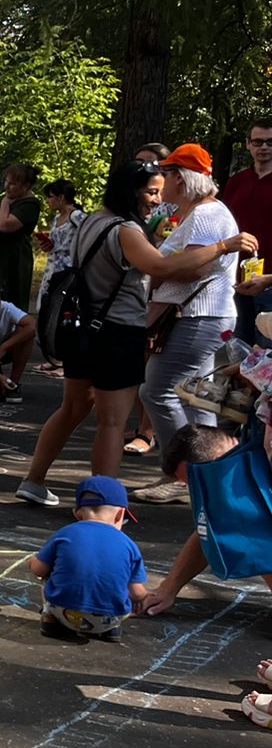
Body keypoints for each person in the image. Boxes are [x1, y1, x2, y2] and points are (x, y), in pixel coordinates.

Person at [16, 161, 256, 506]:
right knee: (112, 423)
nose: (157, 200)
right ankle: (102, 502)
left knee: (72, 408)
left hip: (83, 329)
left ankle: (34, 479)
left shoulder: (91, 220)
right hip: (117, 333)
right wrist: (222, 247)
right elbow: (160, 266)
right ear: (130, 191)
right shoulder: (125, 229)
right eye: (151, 192)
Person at [134, 144, 243, 501]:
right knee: (198, 399)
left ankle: (182, 475)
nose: (161, 181)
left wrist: (155, 271)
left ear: (179, 179)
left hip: (198, 316)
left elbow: (194, 268)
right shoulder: (202, 213)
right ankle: (205, 475)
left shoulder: (206, 215)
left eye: (165, 174)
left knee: (157, 391)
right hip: (205, 315)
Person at [136, 426, 272, 616]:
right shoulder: (240, 460)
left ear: (215, 467)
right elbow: (211, 526)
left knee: (255, 530)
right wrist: (168, 588)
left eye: (195, 485)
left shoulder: (249, 471)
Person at [28, 475, 146, 643]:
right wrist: (142, 599)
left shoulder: (65, 533)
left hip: (64, 612)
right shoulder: (129, 545)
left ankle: (50, 620)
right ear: (120, 515)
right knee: (122, 579)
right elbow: (138, 592)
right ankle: (111, 631)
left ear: (78, 515)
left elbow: (38, 570)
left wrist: (32, 561)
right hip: (110, 618)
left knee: (49, 572)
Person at [223, 117, 272, 345]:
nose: (264, 147)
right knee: (237, 351)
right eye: (258, 142)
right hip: (236, 282)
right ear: (248, 144)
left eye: (270, 142)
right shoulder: (237, 182)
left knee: (267, 355)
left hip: (269, 283)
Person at [34, 179, 85, 377]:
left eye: (51, 197)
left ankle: (66, 360)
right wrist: (48, 244)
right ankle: (54, 357)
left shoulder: (76, 216)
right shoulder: (57, 218)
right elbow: (57, 243)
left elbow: (87, 236)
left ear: (61, 197)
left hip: (68, 271)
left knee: (64, 312)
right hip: (53, 269)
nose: (48, 201)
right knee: (46, 309)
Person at [0, 163, 42, 310]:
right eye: (6, 181)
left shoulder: (29, 205)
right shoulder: (9, 198)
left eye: (12, 184)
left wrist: (5, 204)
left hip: (10, 264)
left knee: (7, 304)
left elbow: (4, 225)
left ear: (26, 186)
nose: (7, 187)